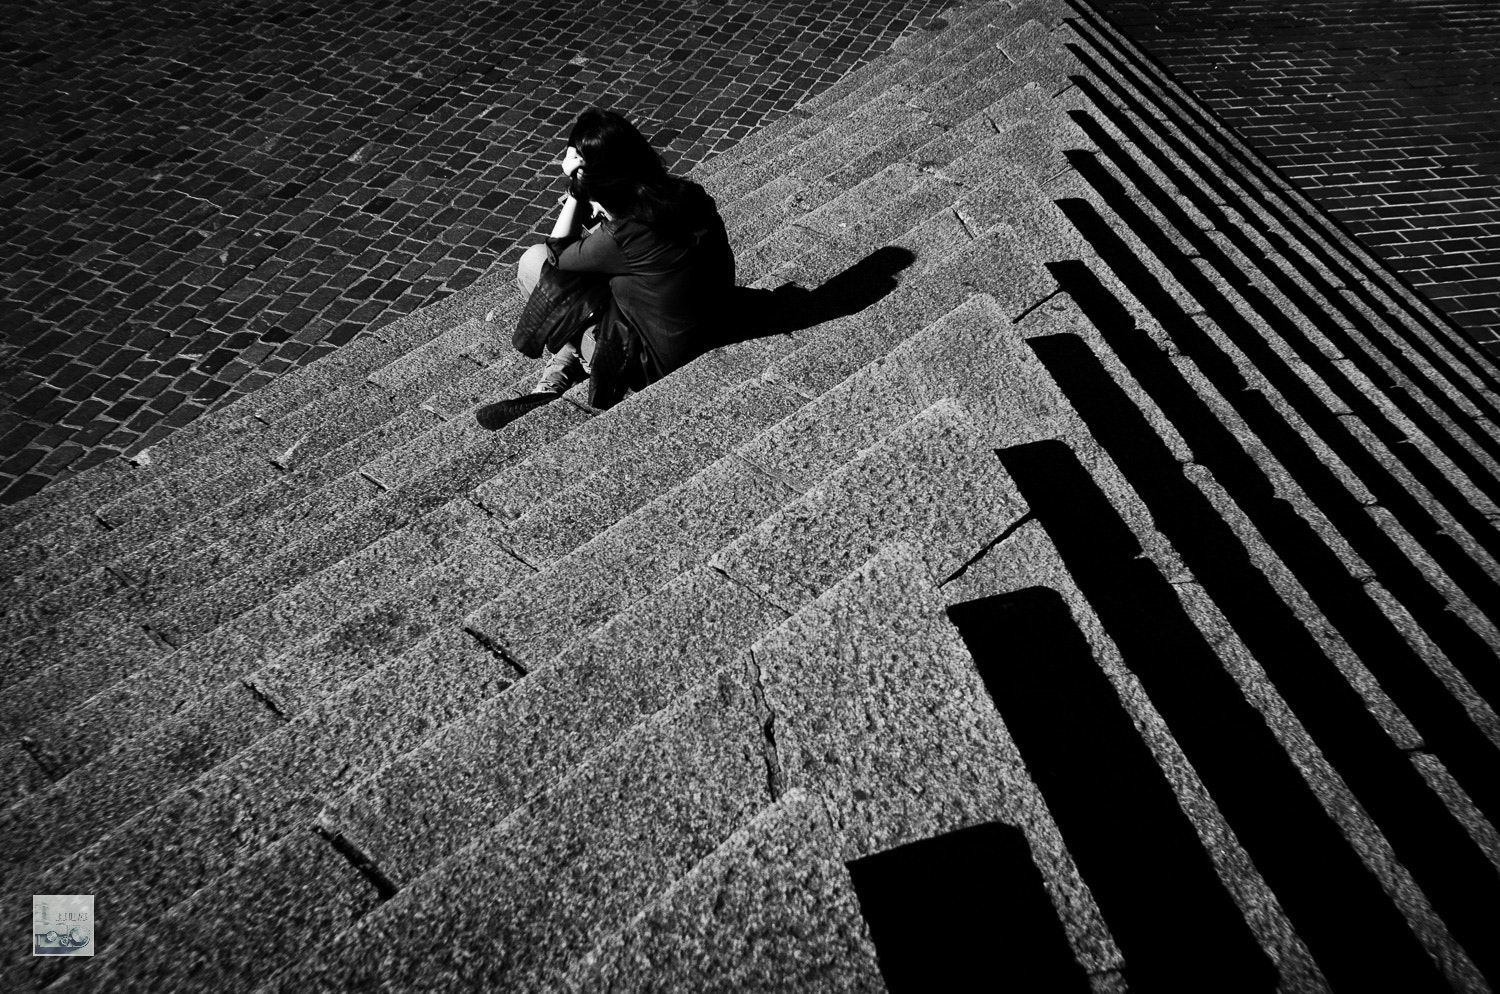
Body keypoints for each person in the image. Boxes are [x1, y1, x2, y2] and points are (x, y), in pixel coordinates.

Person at [477, 108, 735, 429]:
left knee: (534, 264)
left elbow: (556, 257)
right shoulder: (687, 195)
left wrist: (576, 191)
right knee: (593, 273)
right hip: (710, 322)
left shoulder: (624, 233)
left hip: (650, 362)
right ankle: (566, 364)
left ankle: (572, 362)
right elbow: (642, 258)